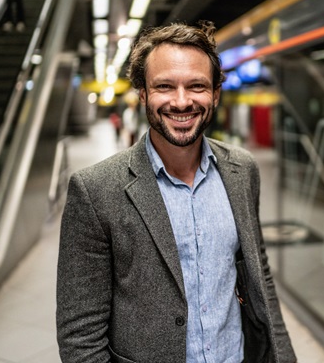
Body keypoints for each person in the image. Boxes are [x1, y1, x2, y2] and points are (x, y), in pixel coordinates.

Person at [56, 21, 296, 363]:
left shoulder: (242, 172)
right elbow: (80, 335)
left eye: (196, 86)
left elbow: (260, 277)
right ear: (143, 94)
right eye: (165, 86)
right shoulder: (95, 190)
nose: (182, 102)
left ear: (215, 92)